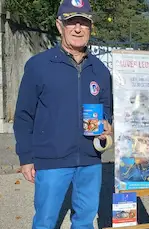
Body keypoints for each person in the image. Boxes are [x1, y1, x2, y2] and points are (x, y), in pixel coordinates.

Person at [13, 0, 113, 228]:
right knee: (45, 222)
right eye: (71, 22)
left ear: (91, 28)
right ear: (60, 26)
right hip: (51, 161)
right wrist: (26, 157)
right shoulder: (39, 65)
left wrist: (107, 123)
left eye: (84, 23)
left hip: (90, 160)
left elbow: (107, 108)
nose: (78, 28)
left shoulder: (100, 70)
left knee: (85, 222)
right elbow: (23, 115)